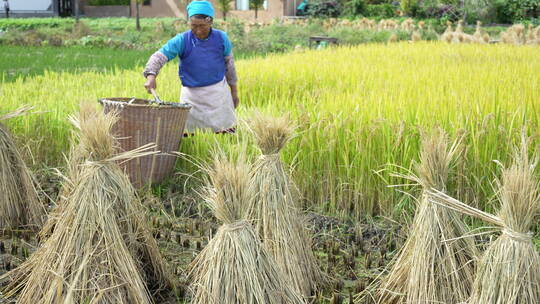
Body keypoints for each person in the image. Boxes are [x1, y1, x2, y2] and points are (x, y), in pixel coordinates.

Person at [143, 0, 238, 134]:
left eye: (202, 26)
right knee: (192, 138)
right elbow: (158, 57)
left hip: (218, 95)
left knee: (224, 135)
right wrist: (151, 76)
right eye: (194, 25)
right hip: (192, 97)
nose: (198, 30)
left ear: (210, 22)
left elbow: (230, 66)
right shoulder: (182, 40)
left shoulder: (221, 38)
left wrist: (234, 92)